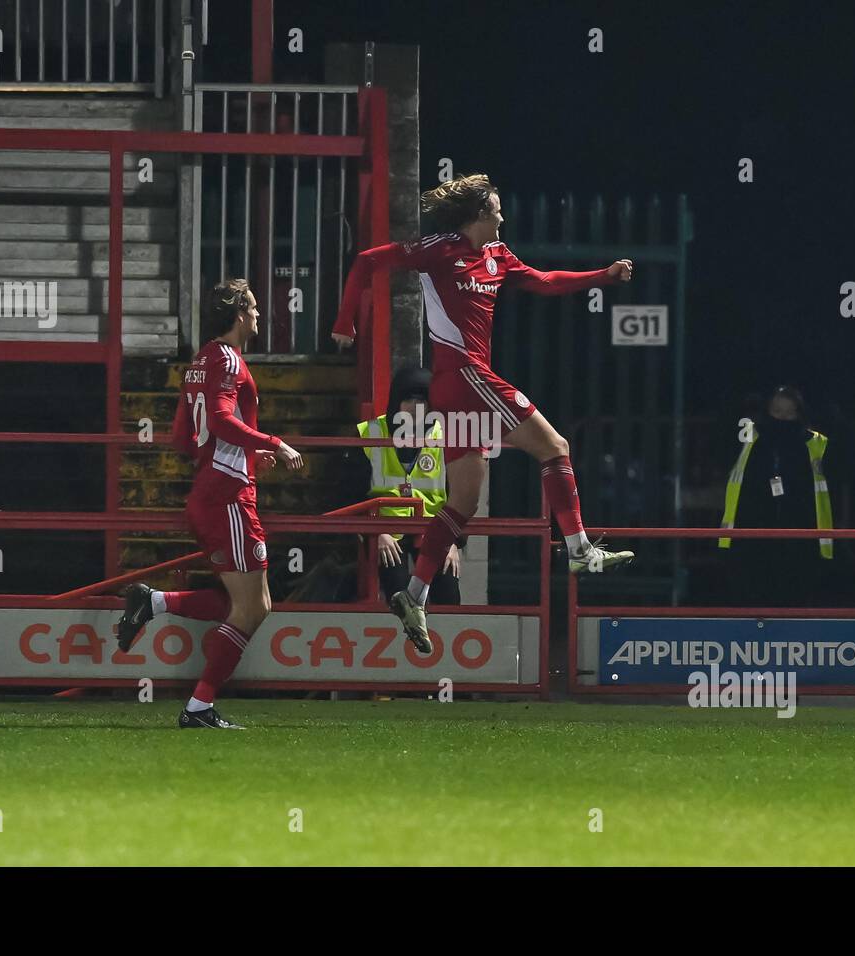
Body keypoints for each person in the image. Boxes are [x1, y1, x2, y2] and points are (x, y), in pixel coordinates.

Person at [332, 173, 635, 650]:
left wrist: (603, 276)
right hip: (466, 376)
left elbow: (544, 281)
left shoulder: (498, 256)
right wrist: (344, 320)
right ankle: (578, 549)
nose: (502, 216)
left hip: (461, 389)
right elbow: (370, 259)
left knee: (463, 503)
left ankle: (414, 595)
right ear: (476, 215)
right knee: (555, 446)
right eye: (495, 209)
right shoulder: (441, 248)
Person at [116, 279, 304, 729]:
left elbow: (184, 436)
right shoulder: (226, 359)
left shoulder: (201, 360)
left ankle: (155, 602)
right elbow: (219, 419)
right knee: (253, 608)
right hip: (228, 496)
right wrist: (273, 443)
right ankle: (198, 706)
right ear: (239, 313)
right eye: (255, 306)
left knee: (247, 604)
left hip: (213, 489)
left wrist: (244, 451)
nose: (260, 314)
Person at [353, 366, 460, 615]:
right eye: (408, 399)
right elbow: (352, 490)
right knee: (397, 591)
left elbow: (461, 493)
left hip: (436, 528)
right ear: (395, 402)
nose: (415, 407)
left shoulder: (447, 436)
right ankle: (404, 650)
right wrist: (375, 532)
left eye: (422, 400)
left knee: (449, 593)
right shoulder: (370, 433)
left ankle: (446, 651)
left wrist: (455, 541)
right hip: (387, 530)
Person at [718, 386, 834, 607]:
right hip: (753, 532)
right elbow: (721, 442)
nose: (783, 418)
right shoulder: (749, 439)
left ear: (800, 414)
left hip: (801, 533)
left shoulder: (816, 443)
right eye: (777, 411)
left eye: (789, 412)